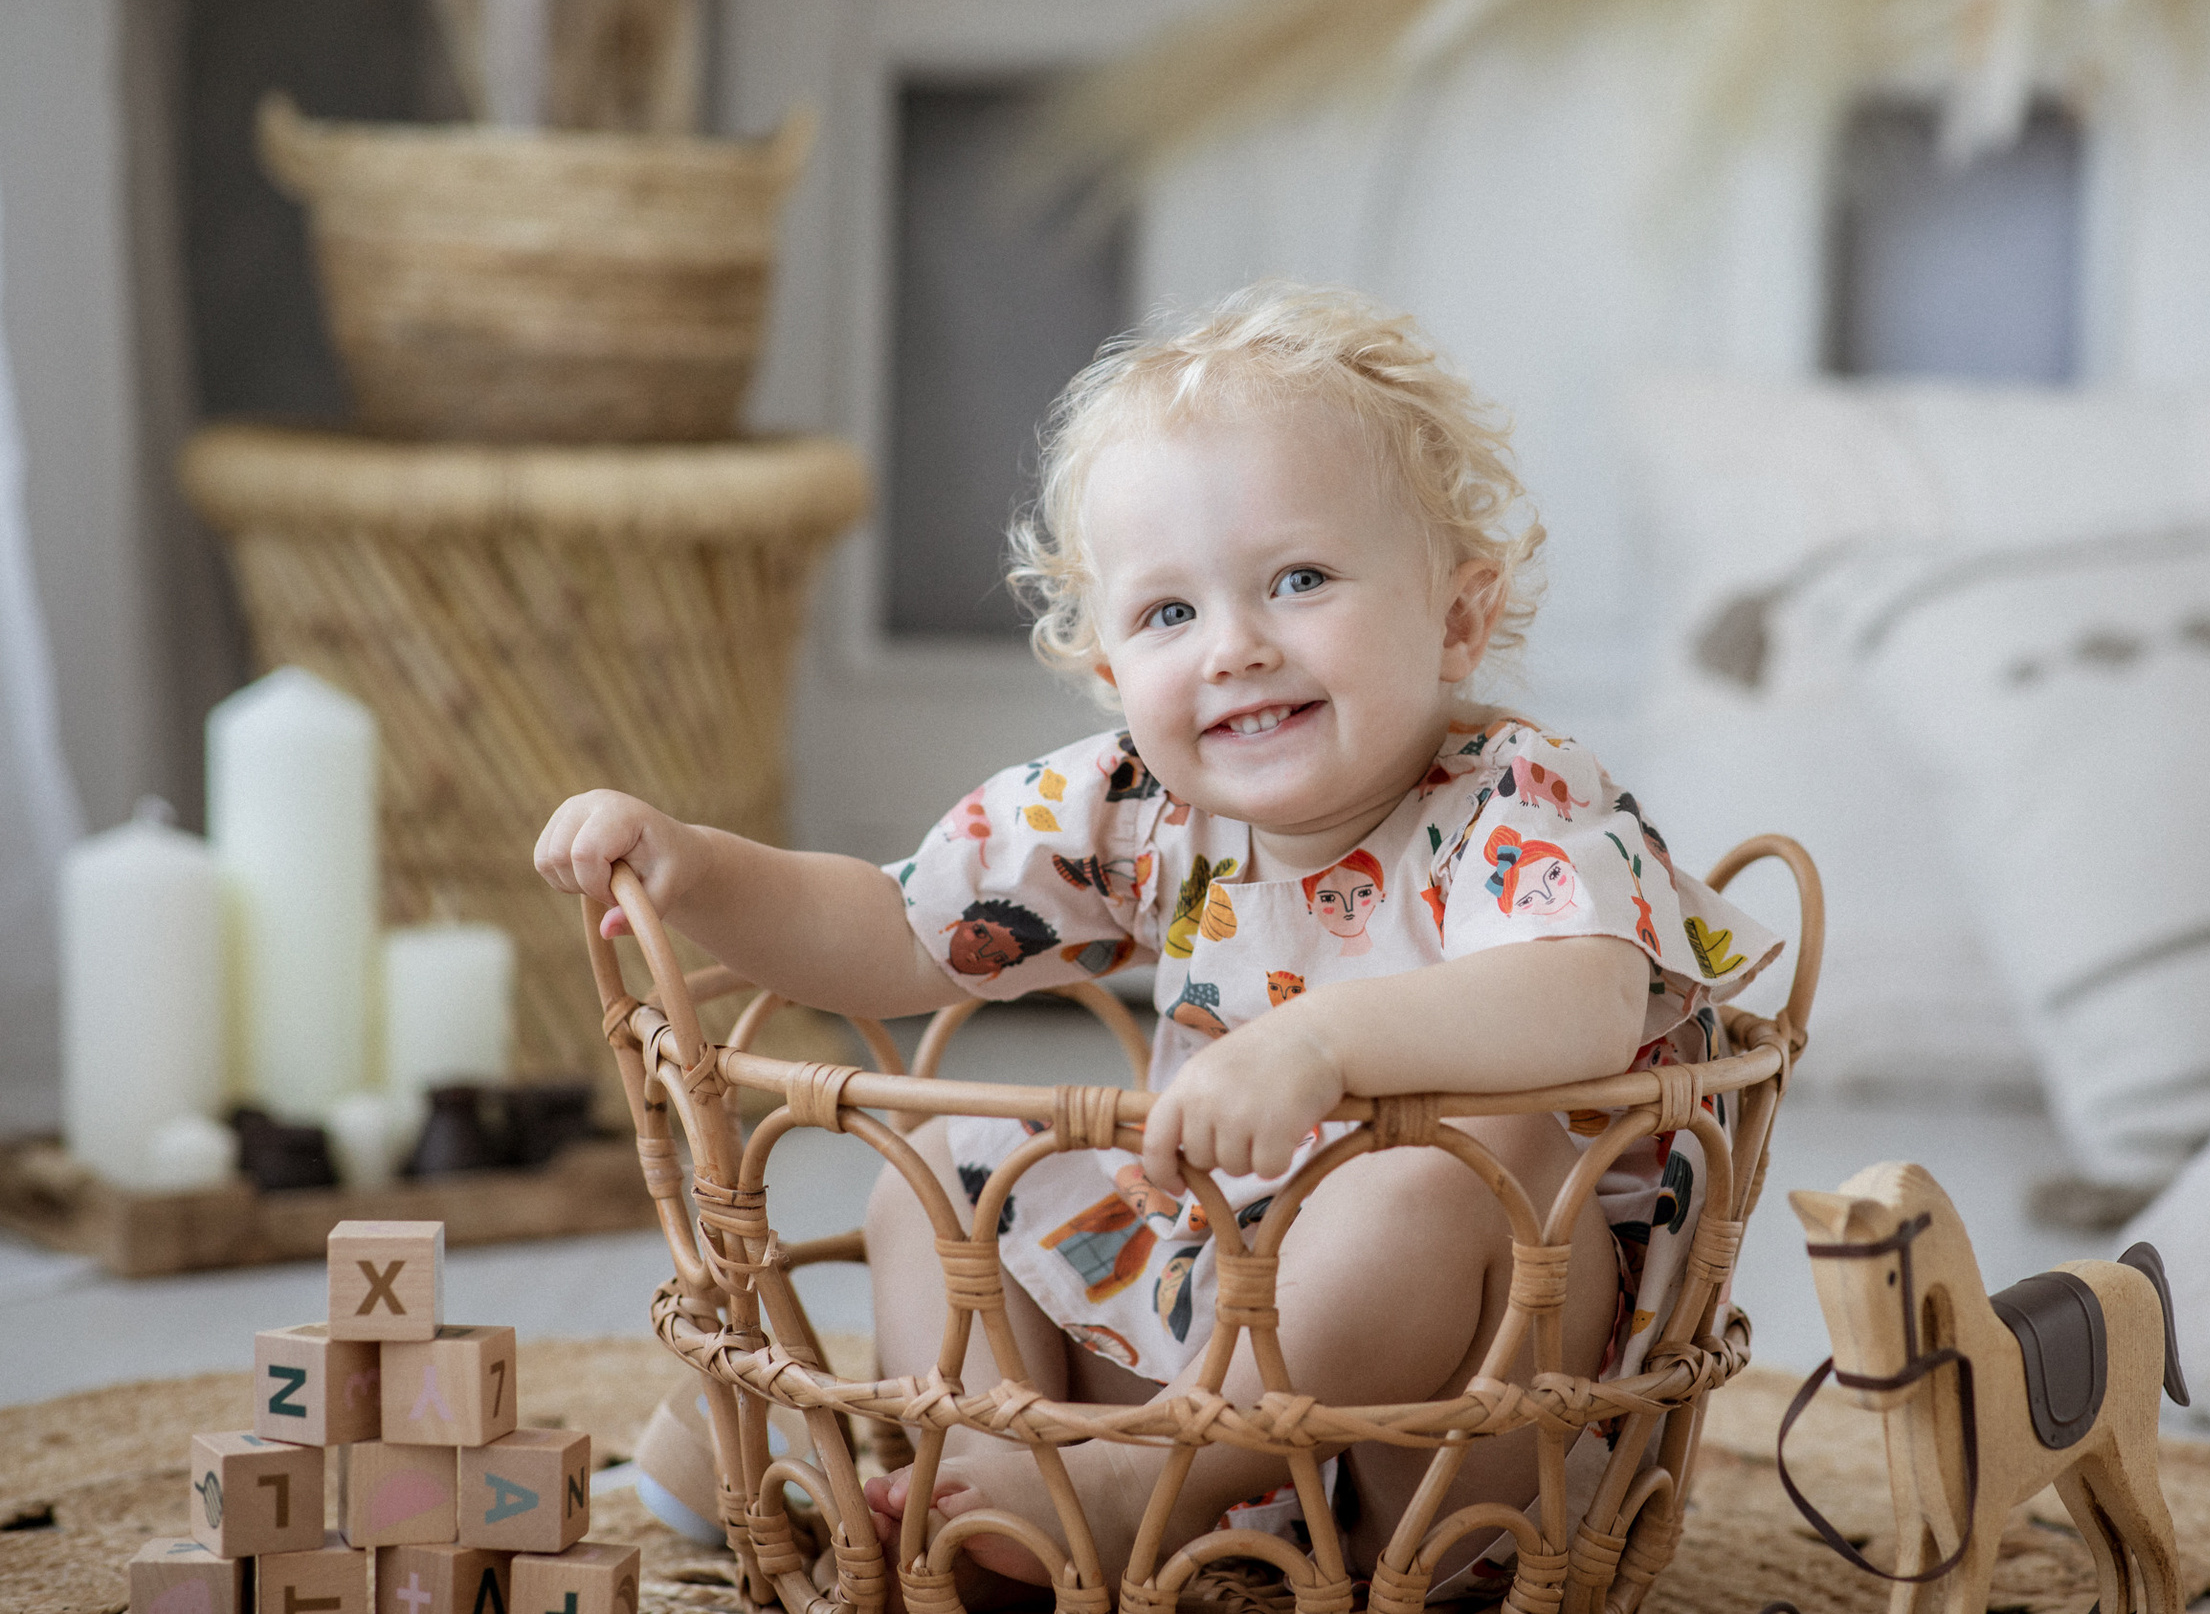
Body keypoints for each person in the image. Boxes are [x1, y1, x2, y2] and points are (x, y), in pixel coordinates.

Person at [533, 282, 1779, 1602]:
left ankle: (1134, 1488)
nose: (1236, 646)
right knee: (936, 1180)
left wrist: (1318, 1043)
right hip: (1213, 1313)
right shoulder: (1140, 802)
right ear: (1107, 664)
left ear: (1460, 619)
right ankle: (985, 1471)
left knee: (1438, 1176)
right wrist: (696, 862)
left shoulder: (1513, 798)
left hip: (1454, 1424)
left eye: (1298, 580)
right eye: (1168, 615)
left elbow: (1582, 999)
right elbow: (895, 923)